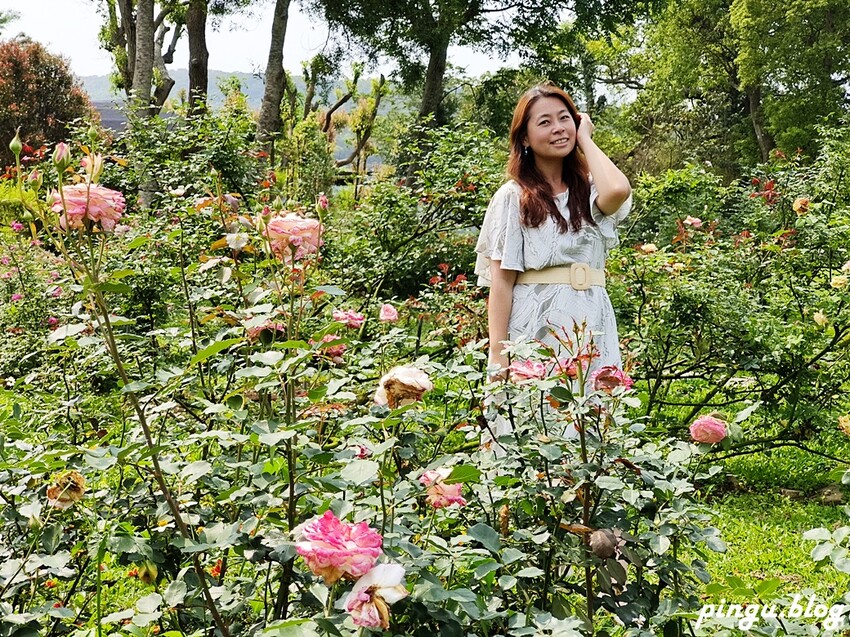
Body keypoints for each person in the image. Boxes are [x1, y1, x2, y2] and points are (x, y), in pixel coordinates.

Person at [475, 83, 632, 383]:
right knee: (535, 417)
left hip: (592, 320)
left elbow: (618, 190)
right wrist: (498, 353)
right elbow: (502, 283)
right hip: (534, 323)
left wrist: (584, 138)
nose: (559, 129)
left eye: (565, 118)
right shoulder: (513, 196)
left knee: (591, 419)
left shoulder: (589, 190)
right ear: (525, 137)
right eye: (545, 122)